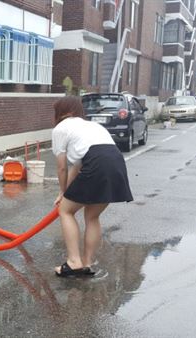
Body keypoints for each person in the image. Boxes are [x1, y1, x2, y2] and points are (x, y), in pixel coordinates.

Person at [51, 96, 133, 278]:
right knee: (92, 216)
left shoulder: (61, 128)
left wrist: (63, 194)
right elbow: (77, 166)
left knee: (65, 211)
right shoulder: (92, 126)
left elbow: (62, 167)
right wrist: (65, 192)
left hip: (96, 163)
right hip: (116, 162)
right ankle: (87, 263)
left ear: (59, 112)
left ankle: (74, 262)